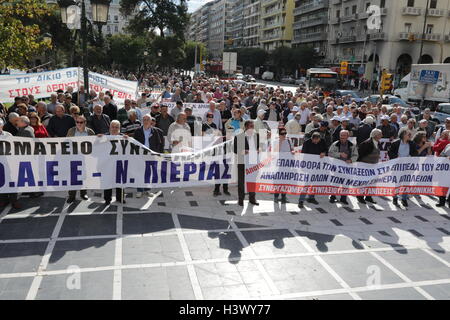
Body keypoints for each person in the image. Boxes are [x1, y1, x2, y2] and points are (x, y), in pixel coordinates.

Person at [133, 115, 165, 198]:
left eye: (148, 120)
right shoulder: (137, 131)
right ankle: (139, 190)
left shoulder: (158, 131)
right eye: (144, 120)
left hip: (152, 156)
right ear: (142, 121)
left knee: (149, 173)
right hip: (141, 155)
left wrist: (160, 155)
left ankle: (147, 190)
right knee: (140, 173)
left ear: (151, 121)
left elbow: (161, 145)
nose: (146, 121)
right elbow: (134, 144)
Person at [66, 115, 95, 203]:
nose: (79, 124)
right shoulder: (71, 130)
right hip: (73, 157)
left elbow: (95, 144)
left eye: (81, 122)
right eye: (77, 122)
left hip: (85, 158)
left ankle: (83, 193)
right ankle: (72, 195)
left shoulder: (90, 132)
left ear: (85, 123)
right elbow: (66, 142)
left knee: (84, 176)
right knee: (73, 177)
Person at [388, 130, 418, 207]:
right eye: (408, 134)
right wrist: (396, 157)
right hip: (398, 166)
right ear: (403, 135)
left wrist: (411, 157)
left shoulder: (412, 143)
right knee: (397, 183)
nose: (410, 135)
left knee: (406, 183)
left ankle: (404, 199)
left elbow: (415, 153)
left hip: (408, 166)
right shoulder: (395, 143)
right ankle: (395, 198)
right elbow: (390, 152)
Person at [328, 130, 359, 205]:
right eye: (341, 135)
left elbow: (356, 155)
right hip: (337, 167)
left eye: (344, 136)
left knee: (346, 183)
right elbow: (330, 153)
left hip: (347, 167)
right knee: (336, 182)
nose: (342, 137)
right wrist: (339, 154)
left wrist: (351, 160)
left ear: (347, 136)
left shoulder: (352, 145)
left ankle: (343, 198)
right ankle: (332, 197)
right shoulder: (335, 144)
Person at [298, 132, 327, 208]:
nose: (316, 142)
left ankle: (311, 197)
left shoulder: (322, 141)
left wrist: (323, 153)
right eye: (314, 141)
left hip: (318, 166)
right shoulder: (307, 143)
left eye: (317, 141)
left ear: (319, 139)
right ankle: (301, 200)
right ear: (312, 138)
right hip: (309, 166)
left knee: (315, 183)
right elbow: (303, 154)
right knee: (306, 184)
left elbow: (325, 150)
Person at [234, 120, 259, 206]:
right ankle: (241, 199)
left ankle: (252, 198)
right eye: (250, 126)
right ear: (245, 127)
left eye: (253, 126)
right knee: (241, 181)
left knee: (252, 180)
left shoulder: (256, 135)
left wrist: (260, 149)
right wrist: (242, 151)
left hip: (253, 162)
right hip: (243, 162)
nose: (252, 128)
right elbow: (235, 149)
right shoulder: (239, 136)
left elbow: (259, 146)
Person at [356, 129, 383, 204]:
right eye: (380, 134)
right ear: (375, 135)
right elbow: (360, 154)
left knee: (372, 182)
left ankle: (369, 197)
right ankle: (360, 196)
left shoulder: (378, 143)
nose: (382, 136)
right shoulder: (366, 143)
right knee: (363, 182)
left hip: (374, 166)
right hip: (365, 166)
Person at [103, 120, 126, 205]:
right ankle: (107, 199)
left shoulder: (123, 137)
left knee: (120, 181)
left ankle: (120, 197)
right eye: (113, 127)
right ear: (109, 128)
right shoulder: (104, 137)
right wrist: (97, 138)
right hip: (107, 163)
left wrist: (128, 140)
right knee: (107, 181)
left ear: (119, 129)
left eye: (117, 127)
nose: (114, 129)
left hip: (120, 163)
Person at [0, 120, 20, 209]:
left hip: (8, 162)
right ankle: (3, 200)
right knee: (1, 181)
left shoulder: (8, 135)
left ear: (2, 126)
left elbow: (14, 147)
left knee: (11, 180)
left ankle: (14, 200)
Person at [272, 128, 295, 204]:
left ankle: (283, 196)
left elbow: (292, 149)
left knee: (285, 181)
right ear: (279, 135)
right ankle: (276, 196)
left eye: (285, 133)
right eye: (282, 134)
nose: (284, 135)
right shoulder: (276, 141)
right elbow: (275, 151)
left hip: (287, 164)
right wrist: (280, 142)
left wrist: (292, 151)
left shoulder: (289, 140)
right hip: (278, 164)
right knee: (278, 181)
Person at [437, 143, 450, 207]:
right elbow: (441, 155)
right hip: (445, 169)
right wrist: (445, 157)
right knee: (442, 185)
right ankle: (441, 202)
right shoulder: (448, 145)